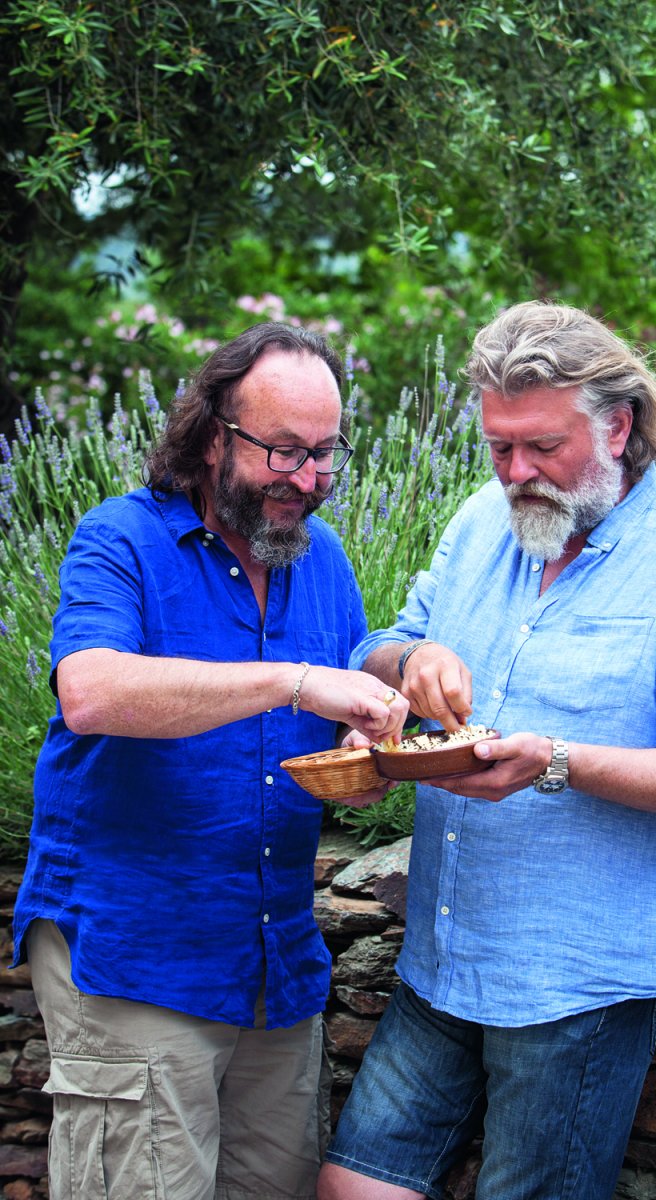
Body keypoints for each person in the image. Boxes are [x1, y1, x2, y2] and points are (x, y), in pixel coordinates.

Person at [317, 301, 656, 1200]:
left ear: (618, 425)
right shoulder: (479, 523)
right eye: (498, 448)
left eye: (541, 447)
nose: (516, 472)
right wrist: (412, 661)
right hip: (442, 957)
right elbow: (379, 644)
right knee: (349, 1189)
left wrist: (557, 761)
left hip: (579, 983)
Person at [11, 321, 409, 1200]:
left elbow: (327, 713)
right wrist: (296, 683)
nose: (307, 481)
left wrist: (365, 748)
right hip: (135, 949)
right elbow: (93, 691)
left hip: (273, 959)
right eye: (282, 451)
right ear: (210, 434)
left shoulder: (324, 556)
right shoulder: (120, 539)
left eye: (324, 454)